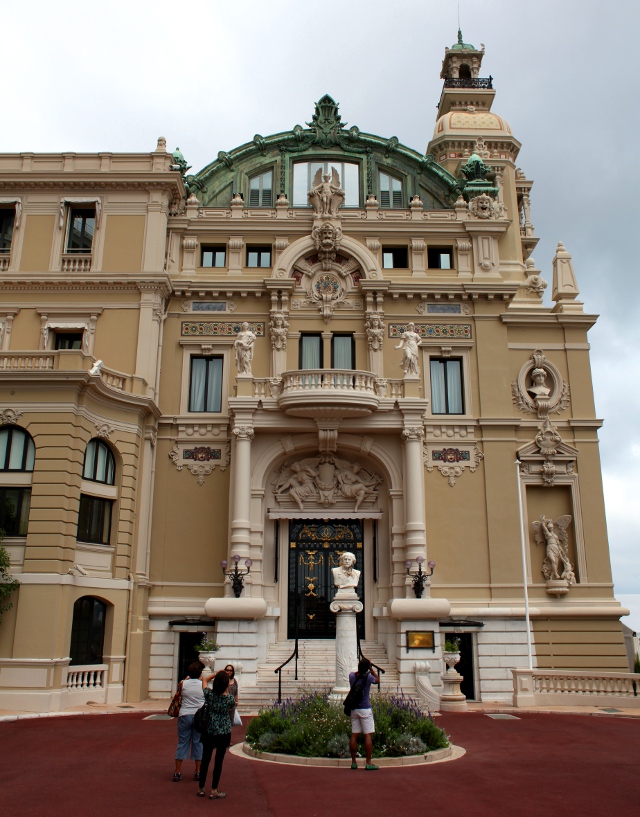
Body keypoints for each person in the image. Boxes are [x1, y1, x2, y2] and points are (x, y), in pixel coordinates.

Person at [173, 661, 214, 782]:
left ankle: (177, 771)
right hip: (199, 716)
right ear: (200, 673)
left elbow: (178, 694)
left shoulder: (182, 683)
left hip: (185, 714)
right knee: (198, 742)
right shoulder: (203, 684)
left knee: (182, 742)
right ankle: (198, 772)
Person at [198, 669, 236, 799]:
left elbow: (204, 680)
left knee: (205, 759)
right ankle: (214, 789)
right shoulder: (229, 699)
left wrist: (216, 674)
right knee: (218, 761)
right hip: (224, 731)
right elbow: (231, 706)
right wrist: (226, 686)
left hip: (210, 729)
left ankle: (201, 788)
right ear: (226, 684)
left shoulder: (210, 695)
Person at [348, 657, 379, 771]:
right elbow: (377, 680)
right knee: (367, 735)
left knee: (354, 735)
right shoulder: (369, 677)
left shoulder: (352, 676)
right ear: (367, 668)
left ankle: (353, 762)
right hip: (365, 708)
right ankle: (368, 762)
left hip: (354, 709)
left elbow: (354, 673)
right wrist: (371, 669)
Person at [224, 664, 240, 729]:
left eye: (230, 671)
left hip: (232, 704)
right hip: (223, 703)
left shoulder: (234, 681)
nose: (229, 672)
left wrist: (236, 701)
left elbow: (236, 692)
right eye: (227, 670)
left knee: (230, 721)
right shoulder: (222, 680)